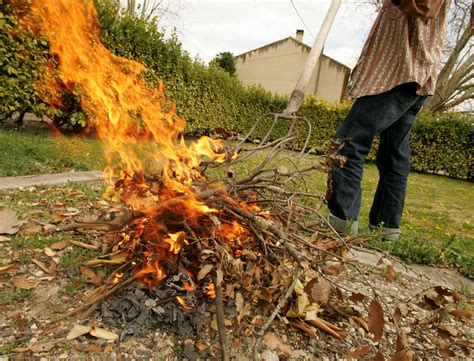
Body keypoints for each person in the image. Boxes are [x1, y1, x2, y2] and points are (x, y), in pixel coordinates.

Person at [327, 0, 450, 240]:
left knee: (347, 143)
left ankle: (341, 225)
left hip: (400, 73)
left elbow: (423, 6)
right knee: (393, 153)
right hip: (413, 75)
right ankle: (386, 228)